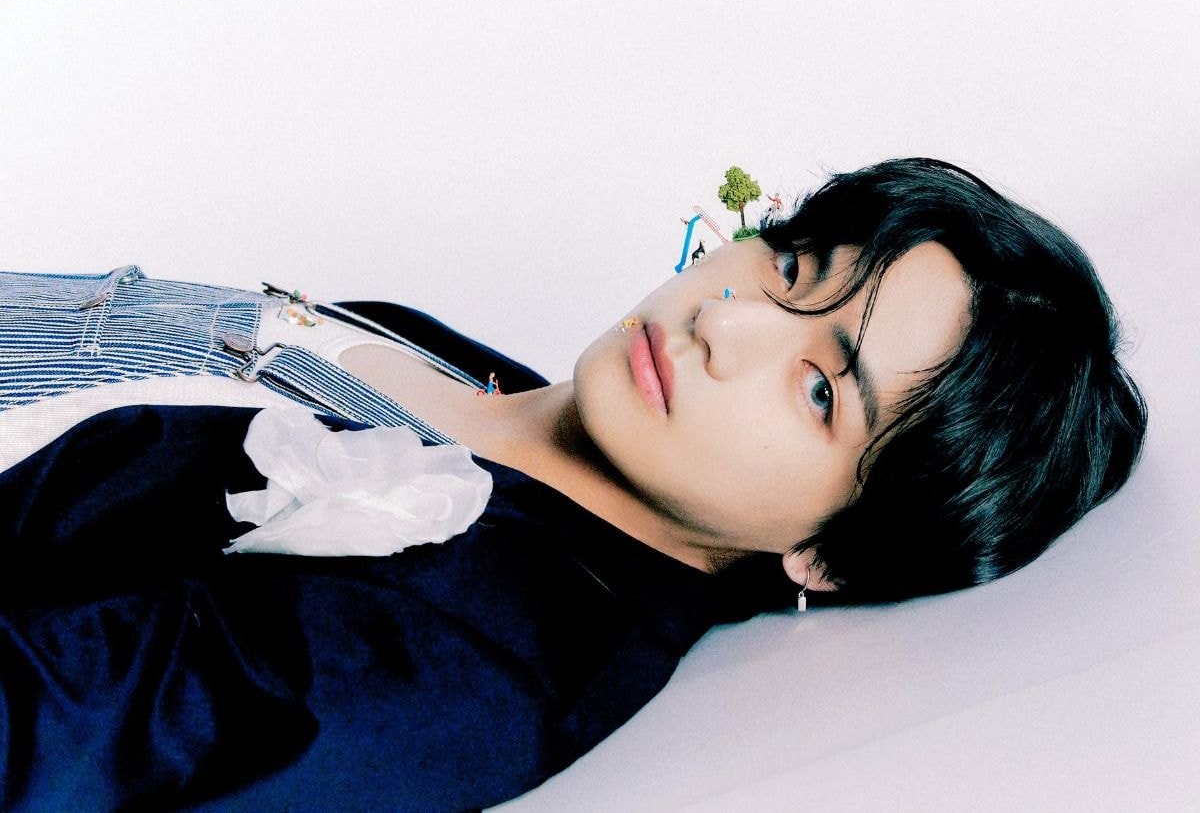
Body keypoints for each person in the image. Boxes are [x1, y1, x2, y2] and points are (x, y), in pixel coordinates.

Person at [0, 158, 1147, 810]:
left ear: (834, 554)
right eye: (795, 265)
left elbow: (47, 736)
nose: (729, 323)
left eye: (819, 390)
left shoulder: (460, 657)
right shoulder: (476, 371)